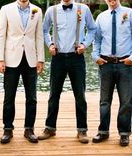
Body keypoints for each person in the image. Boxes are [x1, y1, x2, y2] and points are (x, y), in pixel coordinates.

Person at [38, 0, 96, 144]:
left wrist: (84, 44)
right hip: (58, 58)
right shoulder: (52, 10)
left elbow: (92, 29)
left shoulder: (84, 9)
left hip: (77, 57)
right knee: (53, 94)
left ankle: (82, 130)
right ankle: (50, 127)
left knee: (80, 95)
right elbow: (44, 30)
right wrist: (50, 44)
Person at [0, 0, 44, 144]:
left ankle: (29, 129)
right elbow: (1, 36)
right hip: (11, 59)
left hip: (30, 59)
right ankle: (8, 129)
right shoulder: (6, 9)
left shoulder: (37, 10)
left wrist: (40, 59)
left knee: (32, 98)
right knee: (9, 97)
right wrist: (0, 59)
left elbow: (39, 36)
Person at [92, 0, 132, 147]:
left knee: (126, 101)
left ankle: (124, 133)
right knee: (104, 100)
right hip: (106, 64)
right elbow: (97, 40)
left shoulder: (130, 14)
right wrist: (96, 57)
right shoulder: (101, 17)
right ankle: (103, 131)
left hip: (125, 65)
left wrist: (131, 59)